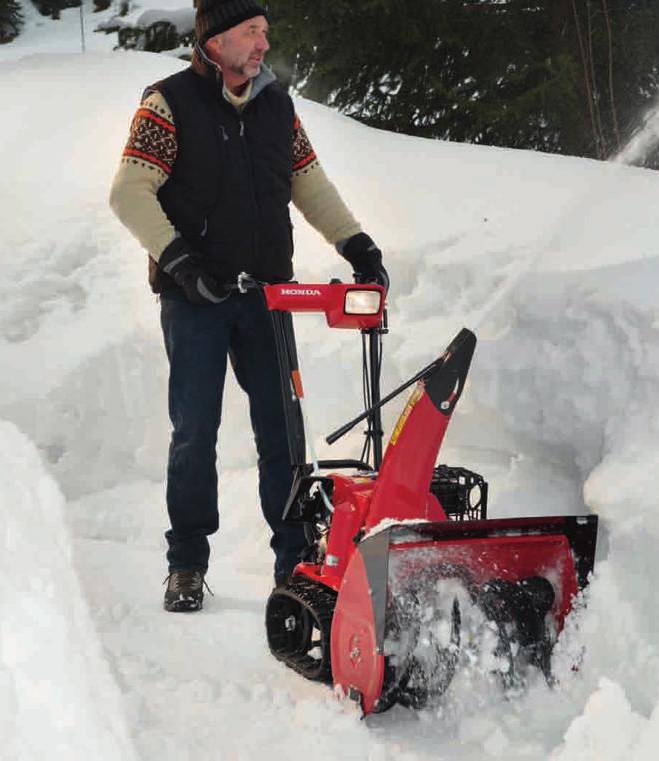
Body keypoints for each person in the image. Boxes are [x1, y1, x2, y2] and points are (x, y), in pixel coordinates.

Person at [109, 0, 388, 612]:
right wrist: (180, 261)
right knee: (195, 432)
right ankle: (186, 562)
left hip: (266, 294)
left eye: (266, 31)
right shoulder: (169, 102)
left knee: (283, 432)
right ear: (215, 38)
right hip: (196, 299)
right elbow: (130, 192)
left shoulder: (276, 105)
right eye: (251, 32)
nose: (264, 43)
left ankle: (294, 560)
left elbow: (308, 182)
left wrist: (356, 244)